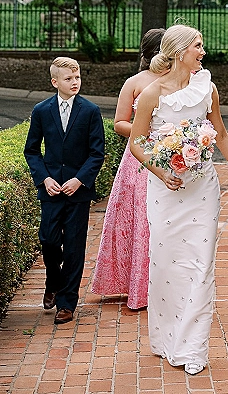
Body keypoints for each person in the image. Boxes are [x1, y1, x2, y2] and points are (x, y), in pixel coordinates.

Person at [129, 24, 228, 376]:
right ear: (178, 52)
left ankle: (193, 348)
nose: (203, 52)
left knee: (200, 265)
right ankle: (165, 339)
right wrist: (161, 172)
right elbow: (137, 142)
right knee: (167, 264)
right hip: (165, 189)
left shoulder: (208, 88)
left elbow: (219, 133)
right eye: (198, 46)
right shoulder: (151, 93)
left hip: (203, 187)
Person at [24, 56, 105, 325]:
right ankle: (53, 279)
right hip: (51, 190)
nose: (74, 82)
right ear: (55, 81)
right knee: (48, 239)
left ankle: (67, 302)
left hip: (77, 193)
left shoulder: (91, 111)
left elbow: (97, 154)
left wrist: (79, 180)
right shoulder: (42, 110)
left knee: (73, 246)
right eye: (68, 78)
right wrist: (44, 179)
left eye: (77, 77)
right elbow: (32, 150)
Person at [91, 28, 165, 309]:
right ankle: (136, 285)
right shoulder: (135, 82)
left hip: (172, 157)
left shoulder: (181, 81)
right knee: (140, 220)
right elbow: (119, 122)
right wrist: (146, 130)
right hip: (139, 159)